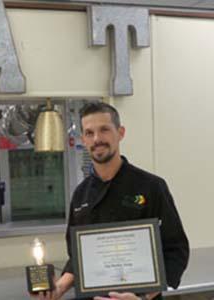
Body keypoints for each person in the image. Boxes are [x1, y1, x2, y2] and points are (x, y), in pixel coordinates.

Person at [33, 102, 189, 300]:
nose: (97, 139)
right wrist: (60, 287)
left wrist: (145, 296)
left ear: (120, 133)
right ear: (83, 139)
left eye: (104, 130)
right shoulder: (81, 194)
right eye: (89, 133)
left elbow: (176, 249)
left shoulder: (151, 186)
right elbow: (78, 256)